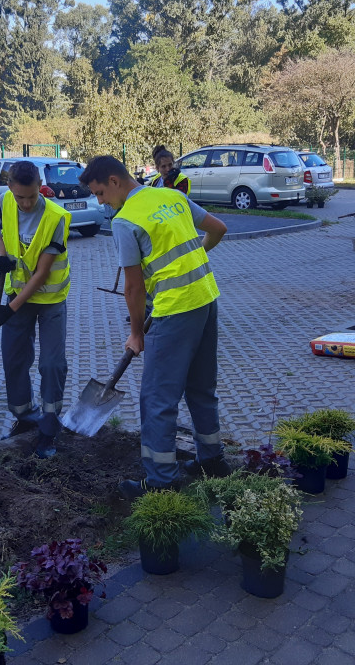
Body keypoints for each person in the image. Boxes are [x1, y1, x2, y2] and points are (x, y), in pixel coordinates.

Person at [79, 155, 230, 499]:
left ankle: (161, 480)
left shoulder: (125, 220)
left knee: (157, 399)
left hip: (174, 312)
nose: (100, 201)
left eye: (100, 193)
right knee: (201, 388)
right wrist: (194, 260)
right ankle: (212, 460)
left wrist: (136, 334)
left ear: (114, 182)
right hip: (206, 299)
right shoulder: (170, 196)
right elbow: (218, 229)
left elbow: (133, 288)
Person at [0, 160, 70, 459]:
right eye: (20, 196)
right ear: (10, 187)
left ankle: (48, 428)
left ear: (40, 188)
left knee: (52, 364)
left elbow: (41, 274)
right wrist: (1, 257)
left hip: (49, 299)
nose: (24, 203)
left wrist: (8, 309)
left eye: (31, 197)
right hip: (15, 295)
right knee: (13, 359)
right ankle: (24, 417)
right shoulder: (3, 200)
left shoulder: (56, 217)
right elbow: (3, 235)